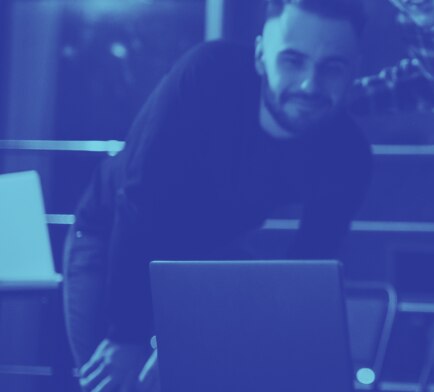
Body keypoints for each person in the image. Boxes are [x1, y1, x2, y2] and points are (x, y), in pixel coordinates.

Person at [62, 1, 371, 391]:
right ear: (260, 55)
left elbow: (306, 270)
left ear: (355, 69)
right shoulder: (208, 73)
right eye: (292, 61)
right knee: (113, 381)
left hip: (205, 258)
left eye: (332, 67)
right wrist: (129, 335)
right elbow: (139, 202)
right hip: (110, 232)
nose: (310, 84)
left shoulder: (350, 155)